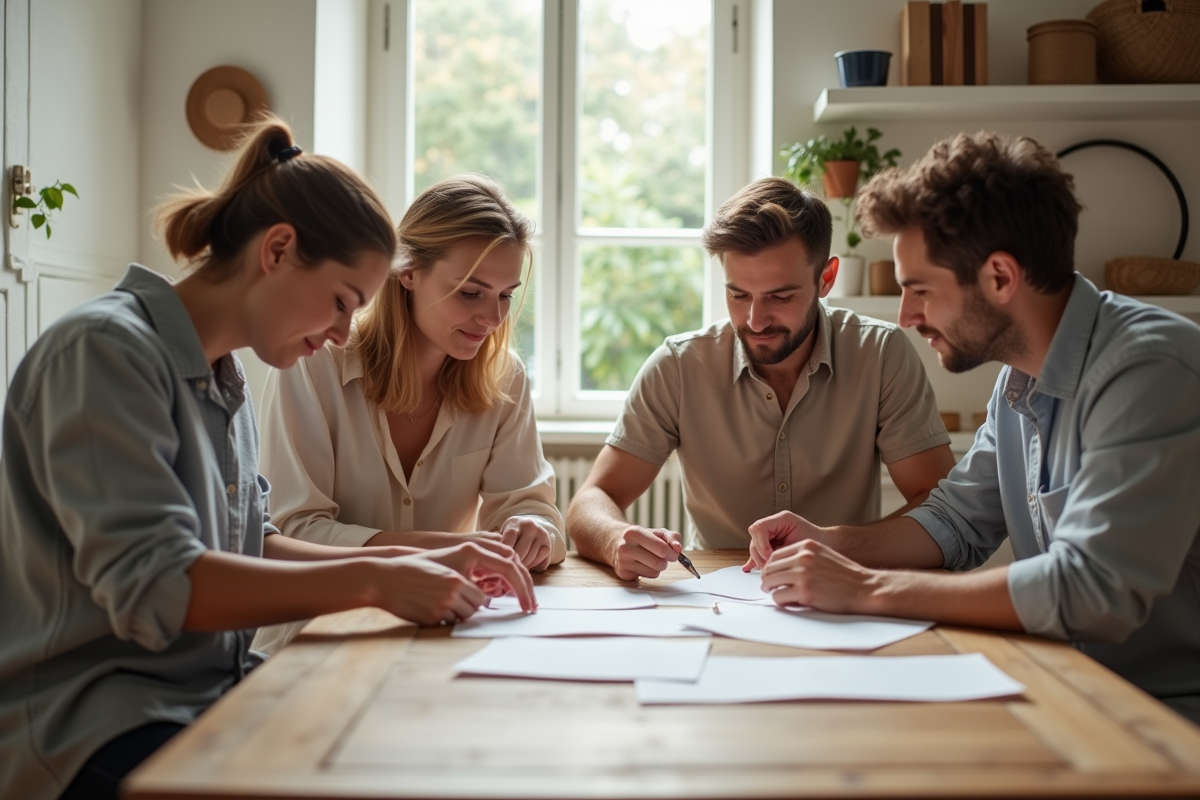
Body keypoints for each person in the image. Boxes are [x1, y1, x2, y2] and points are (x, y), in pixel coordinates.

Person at [0, 117, 536, 800]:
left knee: (430, 745)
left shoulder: (220, 375)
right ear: (277, 250)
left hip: (203, 692)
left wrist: (416, 561)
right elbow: (160, 586)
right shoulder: (104, 351)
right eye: (342, 303)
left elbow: (259, 542)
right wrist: (374, 580)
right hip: (87, 725)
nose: (344, 333)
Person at [748, 132, 1200, 723]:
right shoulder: (1018, 379)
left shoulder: (1152, 369)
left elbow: (1092, 589)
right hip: (1069, 689)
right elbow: (957, 521)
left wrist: (864, 589)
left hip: (1167, 714)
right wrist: (831, 543)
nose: (907, 317)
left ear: (1000, 277)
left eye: (920, 290)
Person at [568, 176, 956, 580]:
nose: (755, 321)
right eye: (738, 295)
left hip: (845, 589)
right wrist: (615, 539)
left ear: (826, 278)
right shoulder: (679, 367)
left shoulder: (881, 354)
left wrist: (833, 543)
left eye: (780, 297)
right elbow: (592, 498)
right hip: (717, 598)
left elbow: (940, 504)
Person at [252, 174, 565, 654]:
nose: (493, 318)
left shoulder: (505, 376)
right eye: (470, 292)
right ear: (408, 271)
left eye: (505, 294)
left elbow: (531, 507)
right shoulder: (314, 361)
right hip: (311, 638)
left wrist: (534, 531)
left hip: (439, 632)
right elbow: (293, 530)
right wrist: (444, 549)